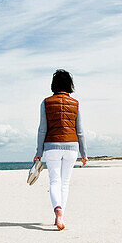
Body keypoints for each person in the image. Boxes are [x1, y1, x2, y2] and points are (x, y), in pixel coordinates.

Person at [33, 69, 88, 230]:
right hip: (72, 146)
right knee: (65, 182)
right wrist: (84, 154)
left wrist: (39, 152)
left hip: (51, 146)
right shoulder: (75, 104)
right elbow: (80, 131)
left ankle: (57, 211)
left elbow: (42, 129)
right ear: (69, 85)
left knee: (55, 181)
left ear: (54, 85)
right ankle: (60, 215)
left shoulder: (46, 102)